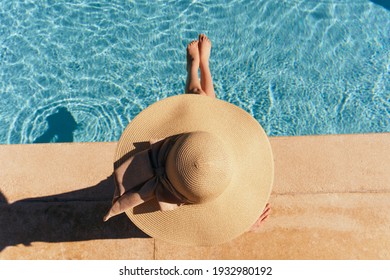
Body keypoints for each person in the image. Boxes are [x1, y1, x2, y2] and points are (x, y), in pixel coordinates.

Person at [104, 34, 273, 245]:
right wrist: (242, 225)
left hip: (178, 163)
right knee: (203, 106)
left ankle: (196, 66)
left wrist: (241, 225)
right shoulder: (213, 169)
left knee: (198, 99)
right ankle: (202, 65)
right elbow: (216, 228)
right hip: (198, 155)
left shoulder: (196, 173)